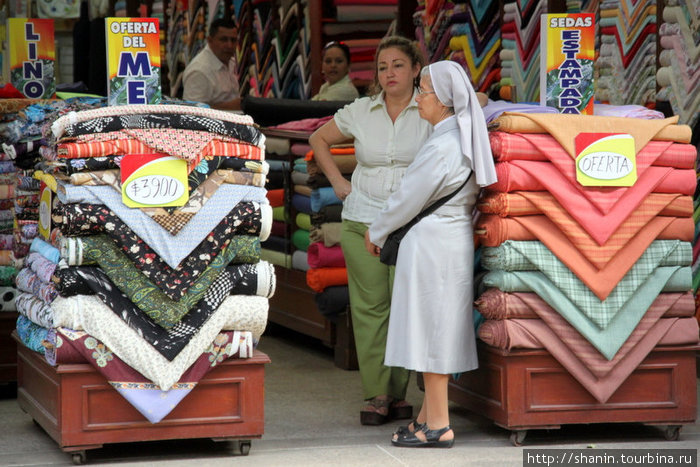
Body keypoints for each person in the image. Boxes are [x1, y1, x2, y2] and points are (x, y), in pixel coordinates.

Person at [365, 60, 497, 447]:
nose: (418, 98)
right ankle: (427, 417)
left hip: (433, 245)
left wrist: (377, 230)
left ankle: (438, 424)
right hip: (444, 241)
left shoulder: (444, 143)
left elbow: (408, 198)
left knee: (430, 329)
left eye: (423, 91)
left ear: (443, 100)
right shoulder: (454, 137)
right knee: (434, 326)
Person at [309, 36, 431, 425]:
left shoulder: (430, 109)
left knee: (405, 306)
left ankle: (398, 393)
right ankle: (377, 394)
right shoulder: (362, 110)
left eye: (398, 65)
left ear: (415, 70)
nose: (389, 73)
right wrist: (338, 184)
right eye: (382, 66)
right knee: (370, 308)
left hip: (414, 224)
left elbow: (476, 102)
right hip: (363, 218)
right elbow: (319, 140)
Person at [182, 18, 241, 110]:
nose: (229, 45)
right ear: (210, 40)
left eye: (233, 40)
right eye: (224, 40)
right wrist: (231, 106)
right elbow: (191, 111)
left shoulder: (230, 61)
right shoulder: (199, 71)